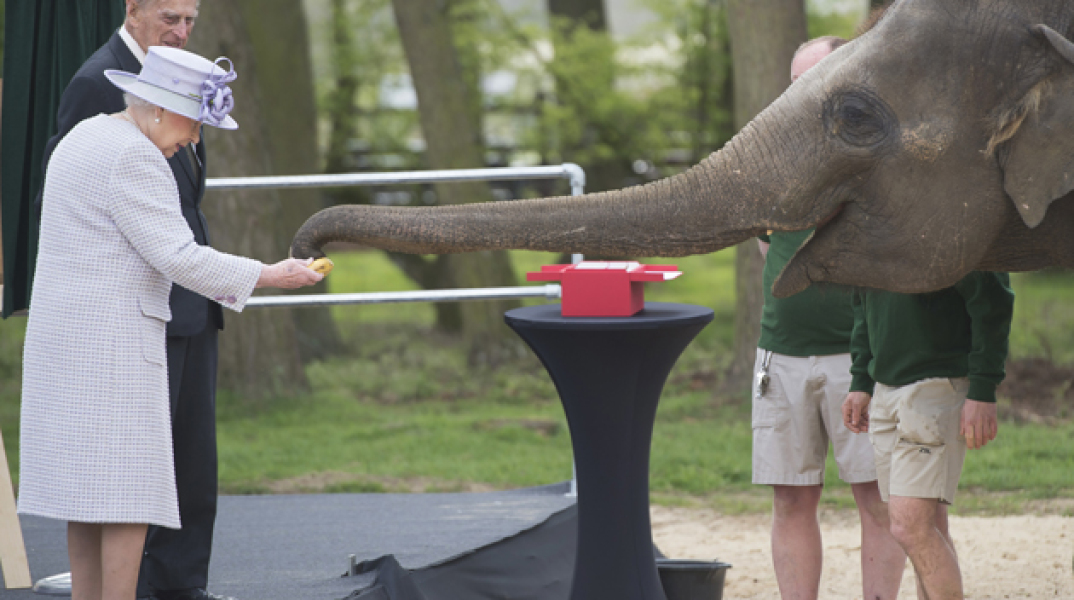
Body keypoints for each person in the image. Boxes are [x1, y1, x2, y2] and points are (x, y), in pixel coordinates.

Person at [18, 46, 323, 600]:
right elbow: (179, 257)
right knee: (128, 494)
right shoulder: (135, 157)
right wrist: (270, 274)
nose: (196, 139)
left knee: (86, 493)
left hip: (64, 341)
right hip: (113, 346)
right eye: (195, 123)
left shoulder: (85, 135)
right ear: (158, 108)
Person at [35, 2, 235, 599]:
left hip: (189, 298)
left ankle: (179, 585)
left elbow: (185, 200)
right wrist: (266, 275)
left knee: (191, 463)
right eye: (170, 16)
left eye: (190, 19)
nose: (181, 30)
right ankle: (141, 587)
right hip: (131, 311)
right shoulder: (98, 86)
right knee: (130, 476)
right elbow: (73, 200)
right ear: (133, 8)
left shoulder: (182, 78)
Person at [751, 35, 907, 600]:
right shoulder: (770, 157)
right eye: (795, 83)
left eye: (813, 80)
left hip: (860, 359)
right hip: (781, 354)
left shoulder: (882, 153)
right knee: (790, 497)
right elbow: (766, 244)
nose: (801, 94)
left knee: (877, 497)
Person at [843, 272, 1014, 599]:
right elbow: (863, 302)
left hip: (936, 384)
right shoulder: (871, 240)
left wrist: (983, 387)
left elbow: (992, 298)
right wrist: (861, 380)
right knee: (923, 525)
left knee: (909, 525)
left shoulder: (956, 237)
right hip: (885, 387)